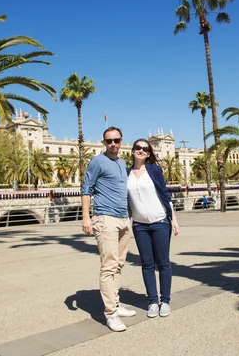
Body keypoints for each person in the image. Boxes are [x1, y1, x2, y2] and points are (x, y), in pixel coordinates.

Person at [81, 127, 136, 332]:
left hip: (123, 219)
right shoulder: (97, 161)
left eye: (116, 140)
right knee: (108, 265)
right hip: (105, 218)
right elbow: (86, 189)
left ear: (121, 141)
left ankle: (116, 303)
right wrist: (86, 217)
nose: (113, 144)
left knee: (119, 264)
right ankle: (110, 313)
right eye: (109, 141)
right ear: (103, 142)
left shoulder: (122, 163)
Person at [127, 139, 179, 319]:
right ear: (132, 151)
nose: (140, 151)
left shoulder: (154, 170)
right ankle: (152, 301)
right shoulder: (126, 173)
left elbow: (165, 194)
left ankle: (165, 301)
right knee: (147, 264)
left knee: (163, 263)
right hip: (139, 225)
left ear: (149, 153)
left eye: (144, 149)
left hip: (160, 222)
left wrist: (174, 219)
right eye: (137, 148)